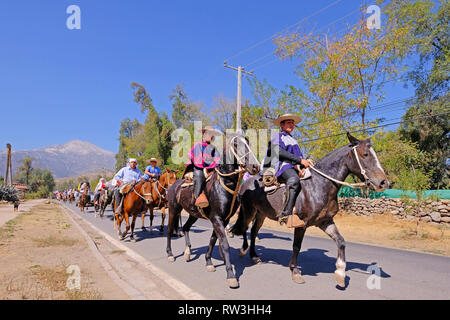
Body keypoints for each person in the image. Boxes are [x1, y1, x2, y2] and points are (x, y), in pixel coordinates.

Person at [262, 114, 313, 226]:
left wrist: (305, 165)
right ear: (282, 124)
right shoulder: (277, 136)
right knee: (294, 181)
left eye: (292, 122)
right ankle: (286, 214)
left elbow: (299, 158)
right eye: (288, 122)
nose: (291, 124)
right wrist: (300, 161)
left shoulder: (294, 140)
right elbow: (279, 152)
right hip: (282, 166)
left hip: (294, 167)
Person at [186, 126, 221, 208]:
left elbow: (217, 159)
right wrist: (205, 166)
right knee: (199, 175)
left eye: (212, 135)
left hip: (211, 168)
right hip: (198, 168)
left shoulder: (214, 148)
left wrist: (214, 165)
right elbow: (194, 158)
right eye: (208, 134)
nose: (210, 136)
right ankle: (196, 198)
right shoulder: (197, 145)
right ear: (204, 135)